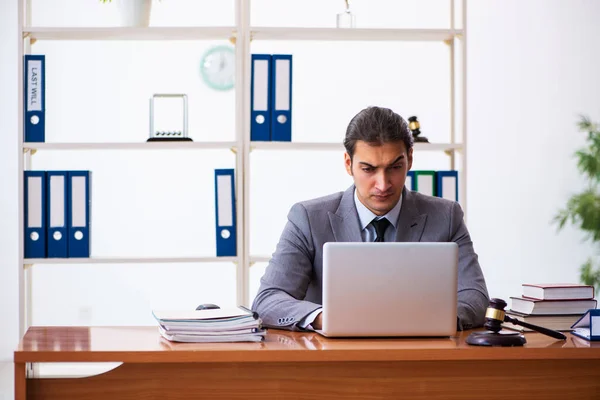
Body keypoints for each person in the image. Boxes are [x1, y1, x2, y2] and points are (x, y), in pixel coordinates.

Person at [251, 106, 489, 331]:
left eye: (395, 167)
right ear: (348, 164)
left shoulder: (446, 217)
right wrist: (330, 318)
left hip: (419, 356)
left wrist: (431, 319)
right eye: (368, 169)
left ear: (410, 160)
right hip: (332, 359)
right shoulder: (308, 219)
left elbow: (475, 297)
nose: (383, 184)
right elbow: (268, 300)